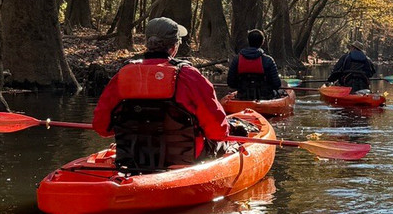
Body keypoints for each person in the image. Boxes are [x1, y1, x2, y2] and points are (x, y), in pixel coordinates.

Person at [93, 17, 232, 172]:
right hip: (185, 160)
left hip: (133, 159)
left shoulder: (122, 76)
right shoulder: (190, 76)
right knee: (224, 142)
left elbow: (101, 127)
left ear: (147, 43)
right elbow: (218, 131)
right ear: (173, 47)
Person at [227, 29, 283, 100]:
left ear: (248, 41)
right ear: (262, 42)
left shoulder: (236, 59)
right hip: (265, 97)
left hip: (243, 96)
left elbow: (230, 83)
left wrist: (240, 87)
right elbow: (276, 84)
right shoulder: (268, 60)